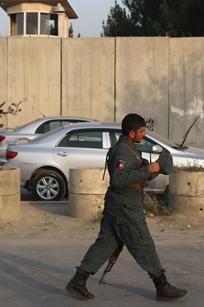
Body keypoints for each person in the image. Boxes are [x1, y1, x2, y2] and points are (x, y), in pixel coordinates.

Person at [65, 113, 187, 301]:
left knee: (105, 244)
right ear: (131, 133)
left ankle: (78, 280)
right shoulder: (123, 151)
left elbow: (134, 176)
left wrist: (153, 168)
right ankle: (162, 286)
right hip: (125, 207)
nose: (144, 134)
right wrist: (148, 169)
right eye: (141, 131)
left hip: (118, 205)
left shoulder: (129, 148)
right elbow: (120, 179)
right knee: (143, 243)